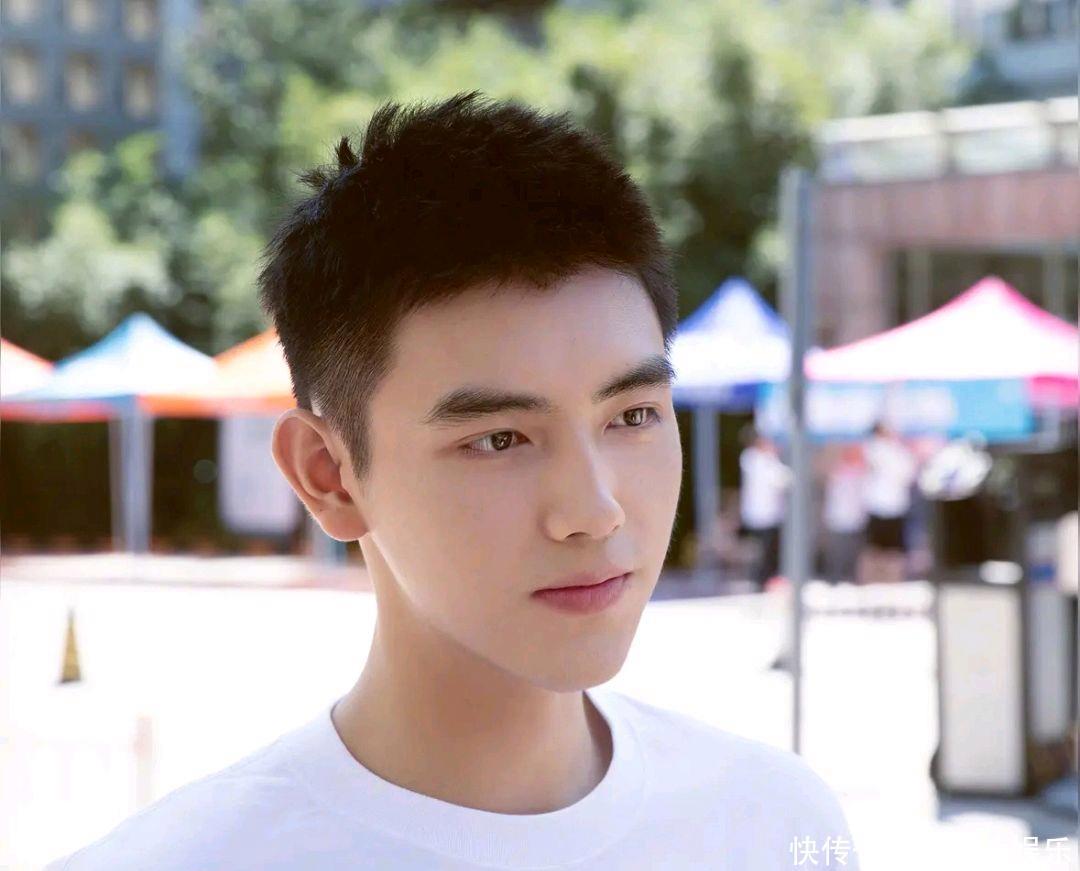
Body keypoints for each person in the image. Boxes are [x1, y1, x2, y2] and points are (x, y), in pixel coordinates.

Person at [47, 92, 857, 870]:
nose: (595, 509)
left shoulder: (777, 826)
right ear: (328, 475)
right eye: (500, 438)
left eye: (634, 415)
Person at [858, 420, 917, 584]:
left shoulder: (899, 450)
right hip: (876, 505)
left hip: (896, 506)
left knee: (894, 549)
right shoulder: (873, 448)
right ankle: (869, 582)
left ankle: (893, 582)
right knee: (873, 549)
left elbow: (909, 474)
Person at [738, 427, 792, 591]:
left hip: (769, 514)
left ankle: (764, 580)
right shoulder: (752, 458)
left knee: (767, 552)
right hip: (761, 515)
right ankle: (760, 581)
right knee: (763, 552)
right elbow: (781, 479)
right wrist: (772, 455)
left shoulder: (762, 459)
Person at [823, 443, 867, 585]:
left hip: (855, 518)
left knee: (853, 551)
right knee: (837, 551)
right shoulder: (837, 471)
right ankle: (835, 577)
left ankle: (851, 577)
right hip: (839, 518)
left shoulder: (862, 472)